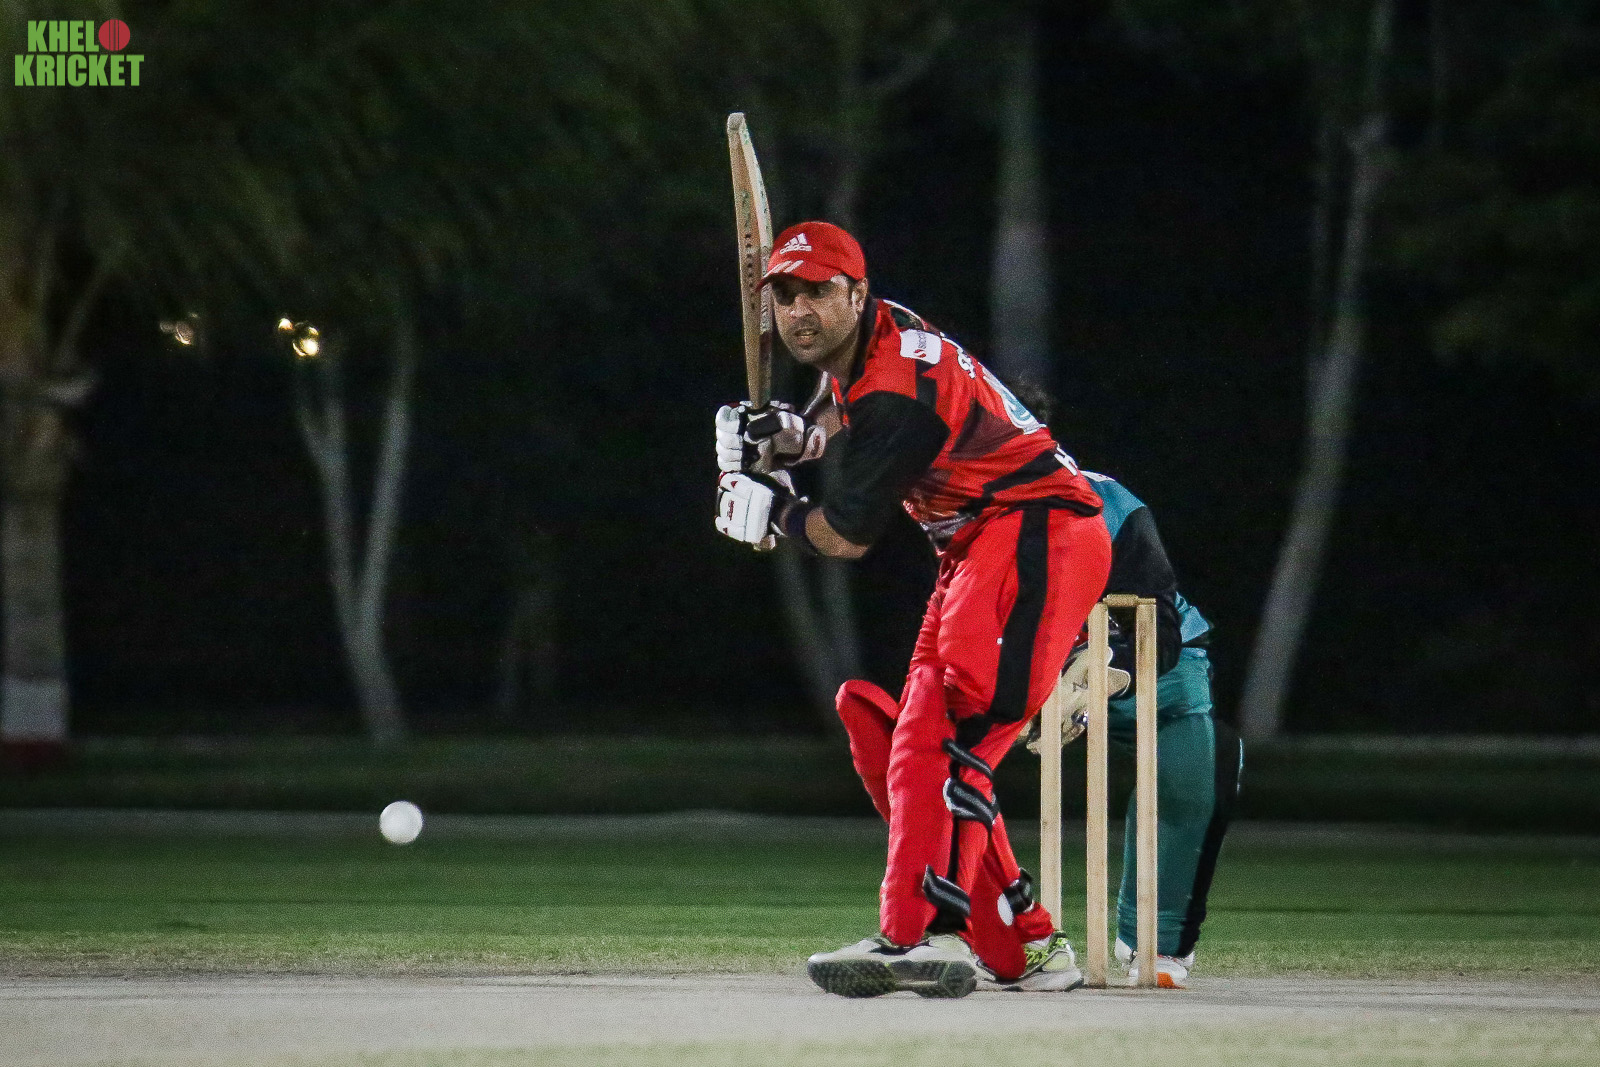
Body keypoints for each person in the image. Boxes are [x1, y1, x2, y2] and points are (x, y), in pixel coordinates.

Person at [713, 221, 1111, 998]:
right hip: (979, 544)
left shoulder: (896, 391)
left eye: (818, 292)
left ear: (857, 293)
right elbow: (844, 402)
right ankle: (1027, 944)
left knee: (951, 729)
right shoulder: (881, 334)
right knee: (918, 736)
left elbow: (846, 534)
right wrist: (802, 437)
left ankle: (925, 937)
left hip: (1035, 531)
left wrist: (773, 511)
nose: (799, 311)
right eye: (785, 296)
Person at [1014, 467, 1244, 988]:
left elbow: (1158, 629)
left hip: (1146, 668)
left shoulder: (1106, 500)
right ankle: (963, 925)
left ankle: (1155, 936)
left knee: (1200, 766)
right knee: (945, 757)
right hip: (1034, 666)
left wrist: (1097, 680)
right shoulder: (959, 500)